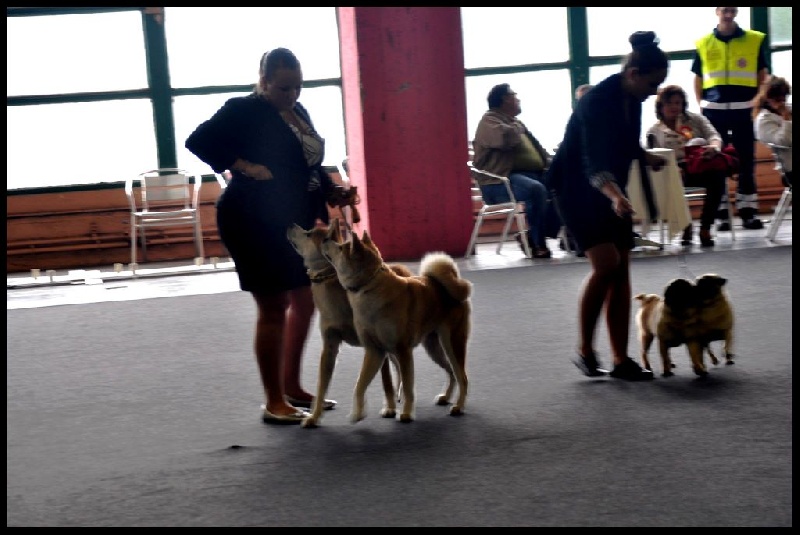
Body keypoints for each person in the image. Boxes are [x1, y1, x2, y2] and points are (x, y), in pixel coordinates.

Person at [185, 47, 340, 424]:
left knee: (306, 301)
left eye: (298, 87)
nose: (292, 95)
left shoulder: (298, 112)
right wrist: (243, 166)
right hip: (251, 219)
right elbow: (199, 140)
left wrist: (333, 191)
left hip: (293, 221)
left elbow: (309, 164)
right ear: (264, 81)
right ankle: (273, 401)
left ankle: (292, 386)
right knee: (273, 308)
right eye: (284, 88)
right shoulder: (243, 109)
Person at [546, 31, 669, 381]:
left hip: (611, 187)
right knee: (607, 263)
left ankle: (621, 359)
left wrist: (645, 157)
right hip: (575, 188)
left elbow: (625, 141)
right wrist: (615, 196)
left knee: (623, 268)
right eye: (652, 83)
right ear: (633, 74)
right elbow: (592, 162)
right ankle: (585, 348)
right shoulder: (596, 102)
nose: (655, 91)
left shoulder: (635, 99)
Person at [693, 6, 770, 231]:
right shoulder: (703, 42)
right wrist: (701, 105)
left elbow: (762, 76)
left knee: (746, 160)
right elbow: (698, 78)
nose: (728, 14)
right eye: (725, 10)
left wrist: (756, 102)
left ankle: (748, 212)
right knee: (717, 163)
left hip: (744, 110)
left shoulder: (753, 40)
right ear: (717, 11)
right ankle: (722, 214)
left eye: (732, 10)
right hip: (713, 111)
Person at [471, 83, 554, 259]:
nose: (518, 99)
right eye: (514, 95)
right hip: (500, 182)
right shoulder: (489, 120)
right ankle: (538, 244)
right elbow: (503, 138)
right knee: (535, 189)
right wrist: (517, 128)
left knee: (566, 184)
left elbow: (539, 152)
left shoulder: (515, 123)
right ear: (505, 99)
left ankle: (534, 236)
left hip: (531, 175)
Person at [646, 85, 727, 247]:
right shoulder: (654, 131)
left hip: (699, 164)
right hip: (671, 170)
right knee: (671, 179)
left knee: (718, 177)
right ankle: (685, 224)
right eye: (669, 103)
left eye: (678, 103)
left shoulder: (696, 119)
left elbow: (714, 136)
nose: (674, 107)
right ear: (660, 107)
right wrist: (673, 167)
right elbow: (653, 159)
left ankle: (705, 227)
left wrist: (714, 148)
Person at [753, 76, 792, 184]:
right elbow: (784, 141)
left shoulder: (788, 109)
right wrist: (786, 119)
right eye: (778, 98)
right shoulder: (763, 120)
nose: (782, 101)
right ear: (768, 98)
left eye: (784, 97)